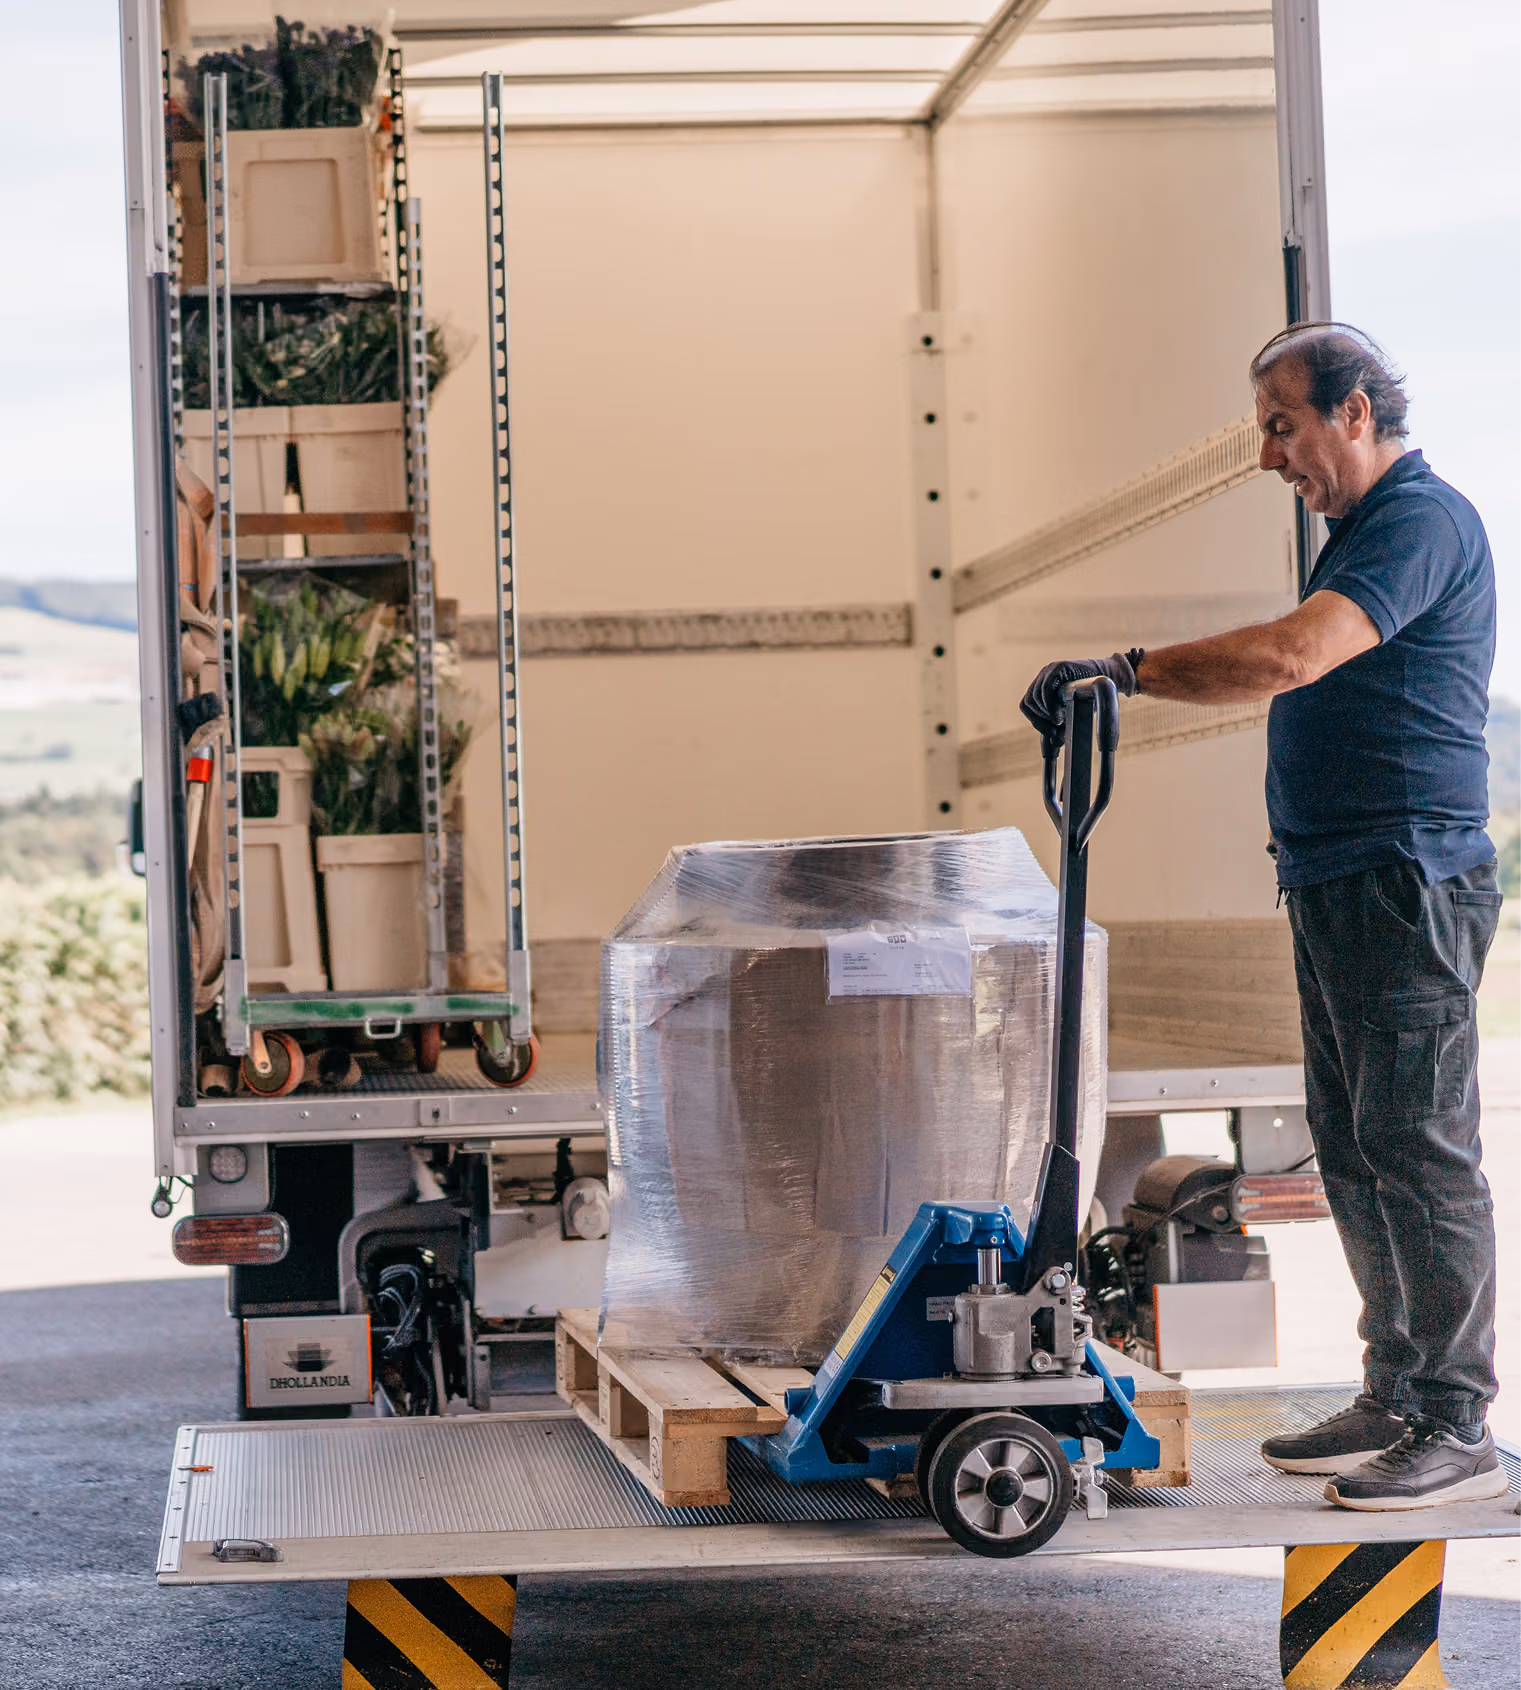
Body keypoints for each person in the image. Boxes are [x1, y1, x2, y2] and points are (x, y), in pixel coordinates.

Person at [1021, 323, 1507, 1512]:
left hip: (1405, 880)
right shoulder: (1361, 534)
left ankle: (1455, 1422)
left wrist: (1127, 670)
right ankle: (1396, 1391)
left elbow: (1294, 657)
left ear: (1355, 412)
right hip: (1345, 878)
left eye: (1282, 425)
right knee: (1354, 1146)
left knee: (1419, 1148)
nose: (1268, 456)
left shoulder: (1420, 523)